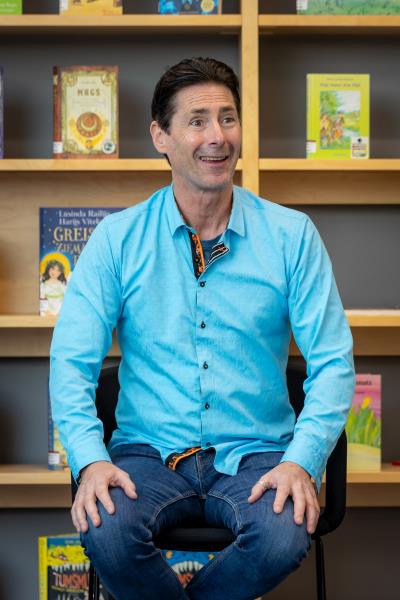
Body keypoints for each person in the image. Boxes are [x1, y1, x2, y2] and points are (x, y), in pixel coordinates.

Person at [50, 57, 355, 600]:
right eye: (197, 121)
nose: (218, 136)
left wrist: (301, 461)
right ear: (160, 137)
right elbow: (71, 363)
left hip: (258, 453)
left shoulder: (293, 237)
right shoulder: (116, 240)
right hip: (147, 454)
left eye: (227, 118)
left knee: (283, 535)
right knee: (106, 530)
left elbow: (333, 363)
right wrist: (91, 459)